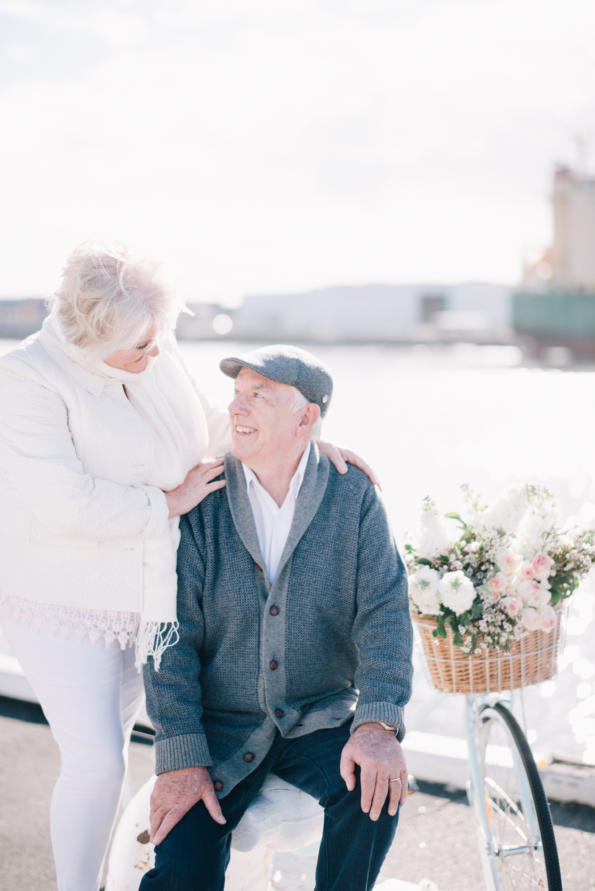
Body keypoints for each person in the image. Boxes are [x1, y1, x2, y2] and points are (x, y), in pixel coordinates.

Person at [0, 246, 374, 891]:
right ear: (92, 336)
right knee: (96, 763)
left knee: (165, 741)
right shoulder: (26, 377)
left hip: (154, 588)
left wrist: (301, 440)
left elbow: (211, 428)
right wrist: (166, 503)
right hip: (70, 599)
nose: (154, 354)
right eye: (140, 346)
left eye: (157, 337)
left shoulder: (151, 346)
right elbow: (62, 502)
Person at [140, 345, 413, 891]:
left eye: (258, 396)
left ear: (306, 418)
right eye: (237, 394)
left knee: (376, 789)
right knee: (181, 875)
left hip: (316, 715)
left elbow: (384, 613)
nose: (237, 409)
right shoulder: (204, 499)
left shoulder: (352, 497)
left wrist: (378, 723)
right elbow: (170, 640)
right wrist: (179, 754)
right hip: (219, 729)